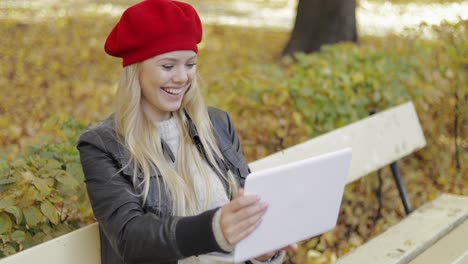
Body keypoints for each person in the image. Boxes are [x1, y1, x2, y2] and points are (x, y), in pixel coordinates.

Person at [77, 0, 293, 263]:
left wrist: (262, 251)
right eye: (168, 66)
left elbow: (249, 211)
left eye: (190, 64)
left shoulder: (216, 124)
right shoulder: (104, 145)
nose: (182, 77)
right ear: (136, 71)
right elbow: (131, 237)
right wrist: (216, 230)